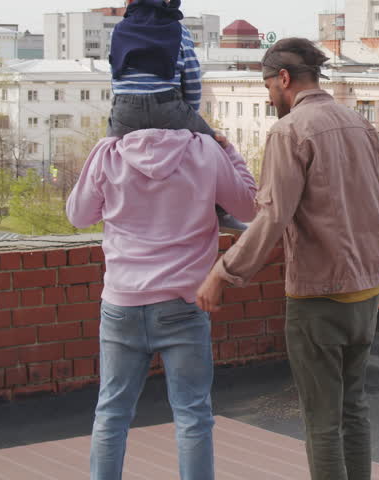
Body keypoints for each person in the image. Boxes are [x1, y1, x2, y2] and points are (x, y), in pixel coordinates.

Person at [197, 37, 379, 480]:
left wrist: (222, 273)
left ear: (283, 79)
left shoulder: (289, 131)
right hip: (367, 291)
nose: (268, 97)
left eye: (267, 86)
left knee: (322, 422)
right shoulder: (360, 125)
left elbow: (272, 217)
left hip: (319, 297)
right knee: (354, 409)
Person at [67, 126, 257, 480]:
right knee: (193, 417)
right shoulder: (204, 150)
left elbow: (78, 216)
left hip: (122, 303)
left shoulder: (109, 152)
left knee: (111, 414)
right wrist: (229, 151)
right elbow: (249, 206)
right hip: (182, 304)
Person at [107, 0, 244, 231]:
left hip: (125, 109)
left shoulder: (118, 30)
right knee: (214, 147)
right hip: (167, 105)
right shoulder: (178, 31)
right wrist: (189, 115)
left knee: (110, 156)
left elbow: (117, 75)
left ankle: (116, 210)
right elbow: (192, 75)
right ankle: (221, 211)